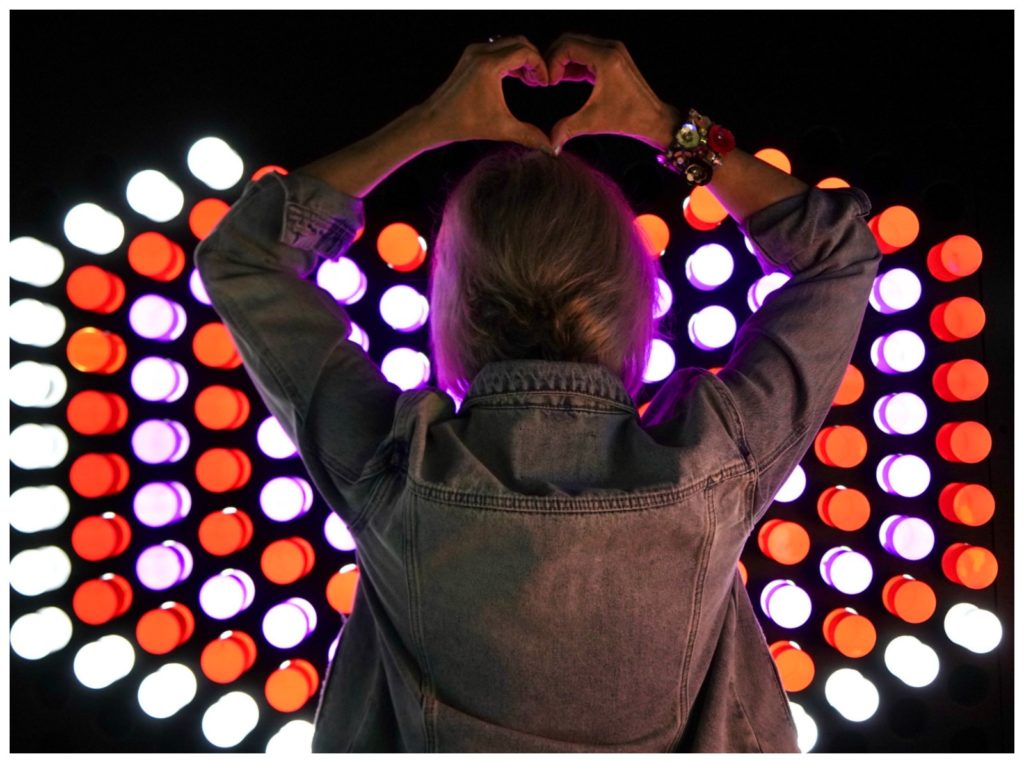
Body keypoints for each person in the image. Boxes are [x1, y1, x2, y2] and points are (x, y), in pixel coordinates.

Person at [195, 32, 880, 753]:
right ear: (635, 297)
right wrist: (664, 125)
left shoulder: (396, 467)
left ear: (453, 304)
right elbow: (840, 254)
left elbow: (244, 256)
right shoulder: (713, 460)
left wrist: (428, 124)